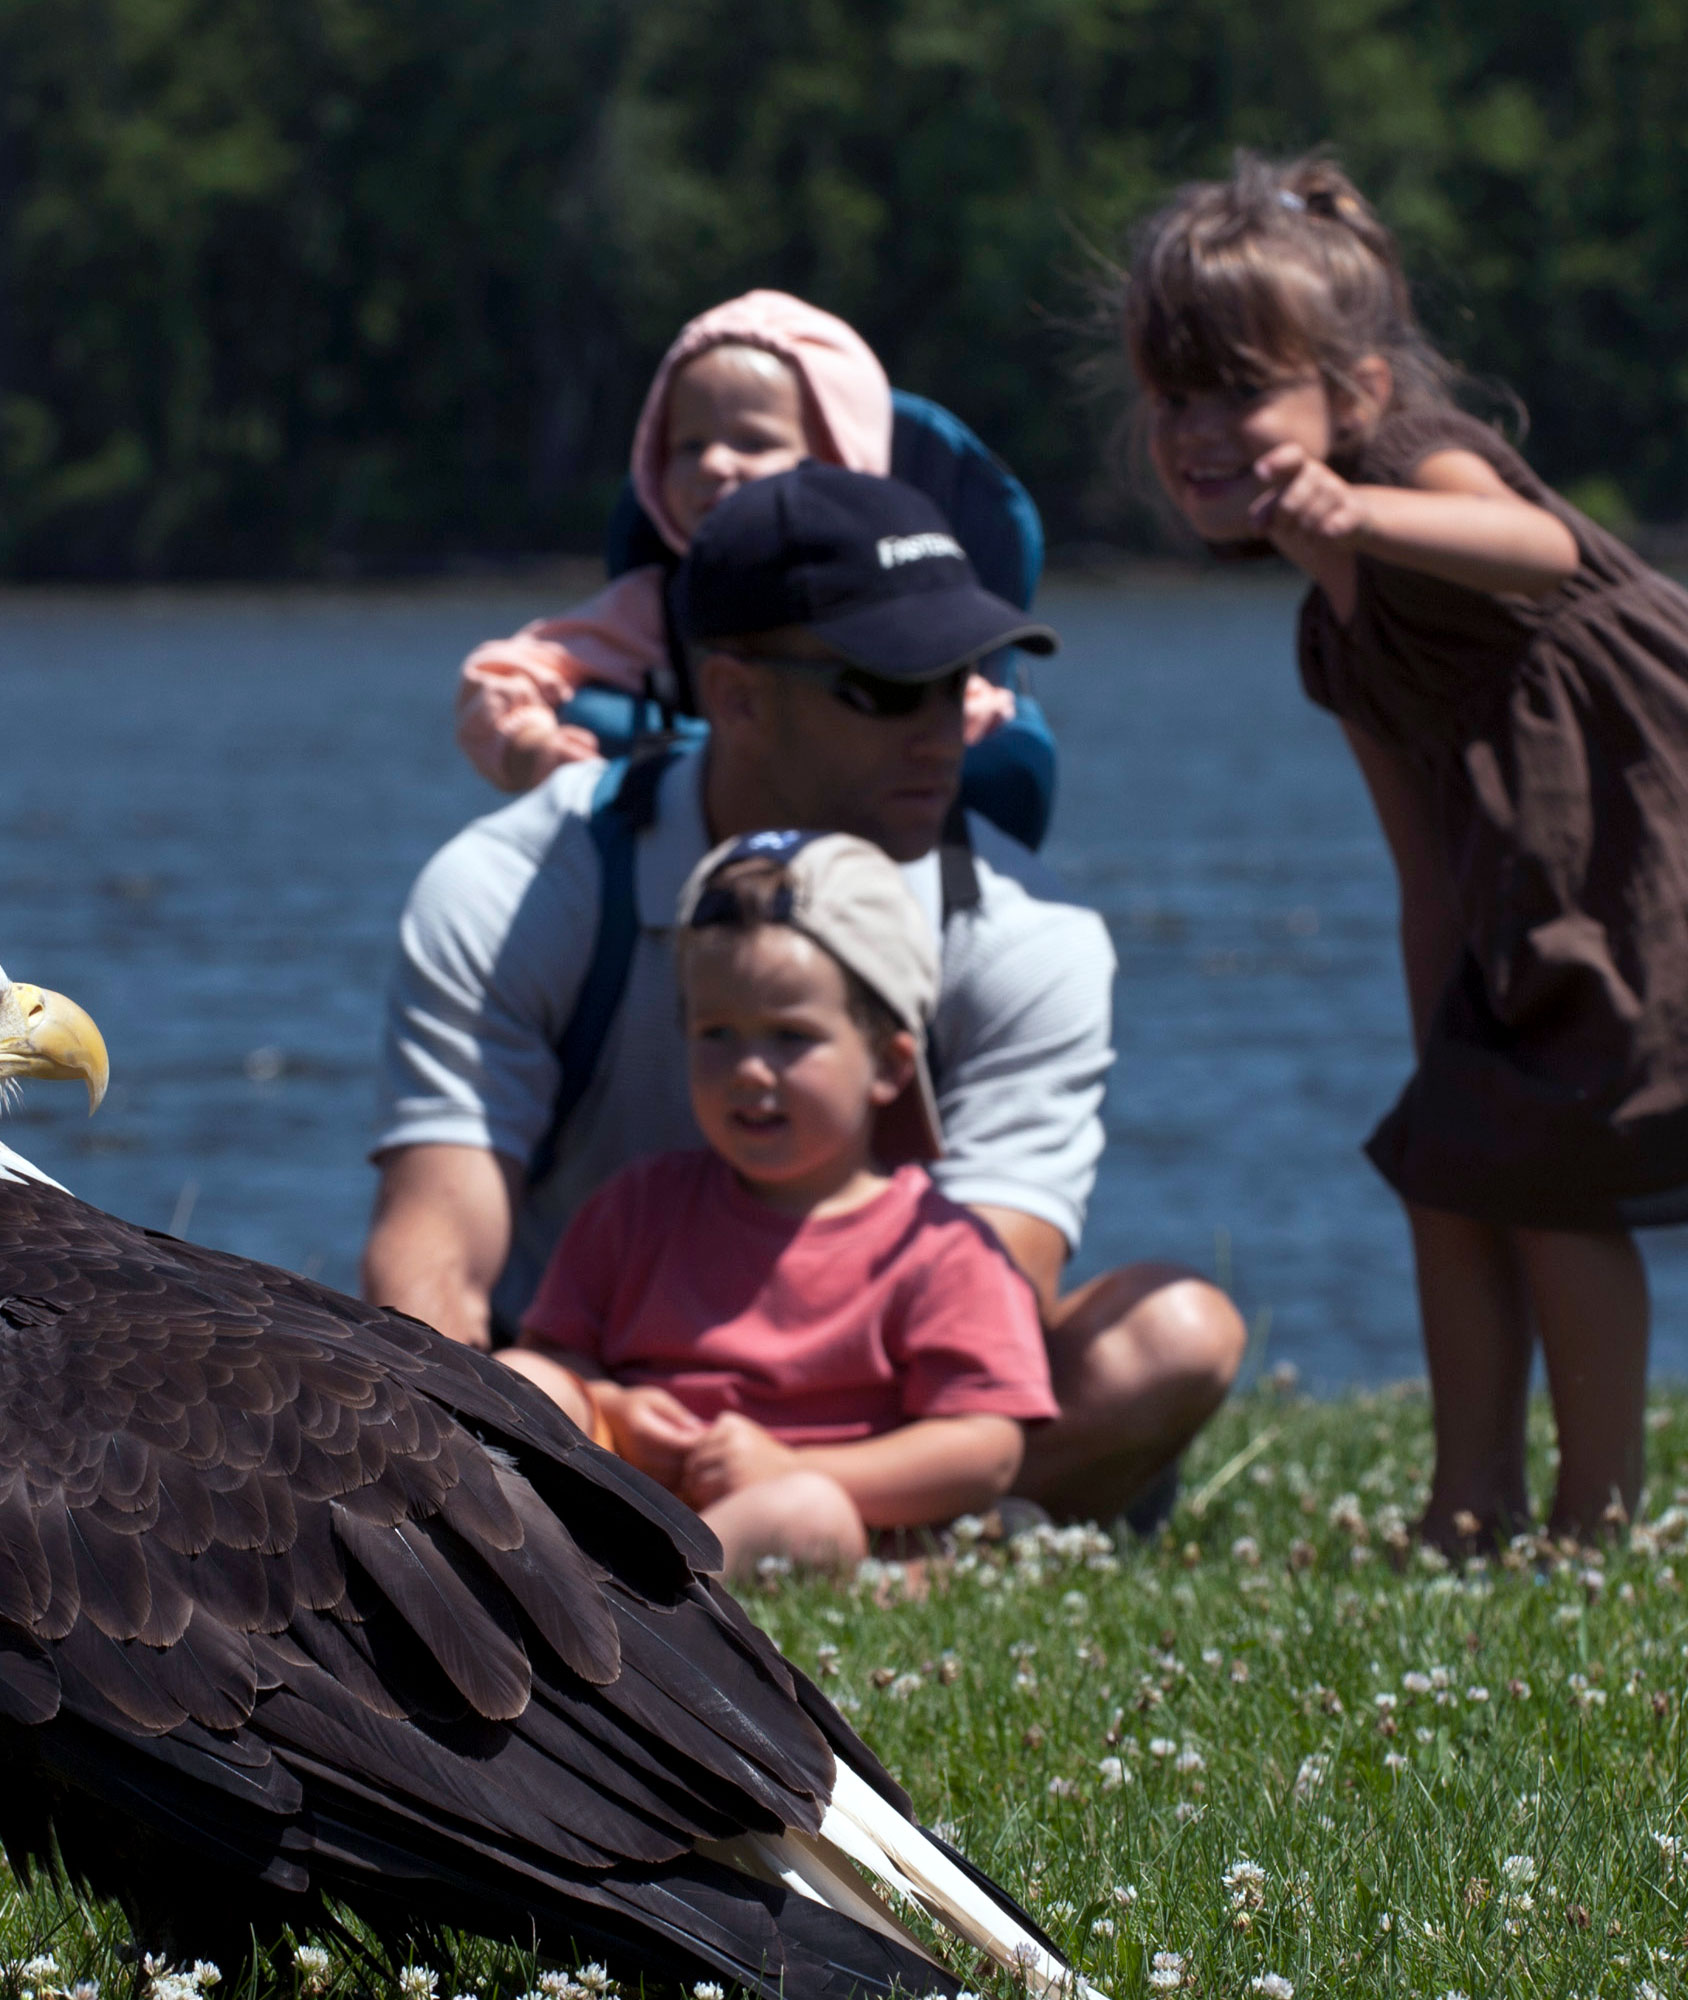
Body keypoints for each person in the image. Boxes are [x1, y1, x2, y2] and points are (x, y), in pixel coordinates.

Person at [1119, 151, 1688, 1552]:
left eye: (1241, 392)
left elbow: (1537, 553)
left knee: (1558, 1168)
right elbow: (1421, 869)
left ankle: (1597, 1516)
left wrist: (1362, 510)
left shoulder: (1412, 473)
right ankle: (1469, 1503)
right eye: (1171, 396)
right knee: (1458, 1158)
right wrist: (1440, 1047)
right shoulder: (1335, 641)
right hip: (1548, 860)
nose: (1201, 429)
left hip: (1686, 812)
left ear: (1359, 392)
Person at [369, 463, 1246, 1527]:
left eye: (958, 678)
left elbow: (988, 1289)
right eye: (884, 686)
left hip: (885, 1414)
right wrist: (532, 1432)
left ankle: (839, 1528)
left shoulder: (1032, 934)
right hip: (600, 1408)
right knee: (478, 1391)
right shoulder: (517, 885)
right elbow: (434, 1264)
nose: (940, 729)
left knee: (1177, 1335)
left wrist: (785, 1461)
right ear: (734, 694)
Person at [499, 831, 1058, 1572]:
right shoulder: (637, 1205)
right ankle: (527, 1573)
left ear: (890, 1064)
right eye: (717, 1034)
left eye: (791, 1038)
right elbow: (557, 1356)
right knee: (517, 1382)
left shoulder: (938, 1246)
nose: (749, 1071)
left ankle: (654, 1608)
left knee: (807, 1514)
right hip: (631, 1497)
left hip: (800, 1516)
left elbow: (984, 1449)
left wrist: (791, 1464)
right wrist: (618, 1410)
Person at [452, 290, 1017, 793]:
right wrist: (525, 747)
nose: (716, 464)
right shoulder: (655, 608)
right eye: (690, 446)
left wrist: (952, 722)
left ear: (837, 456)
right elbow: (503, 672)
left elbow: (973, 704)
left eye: (753, 441)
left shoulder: (896, 609)